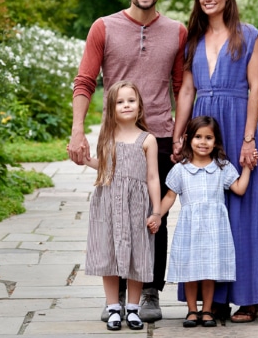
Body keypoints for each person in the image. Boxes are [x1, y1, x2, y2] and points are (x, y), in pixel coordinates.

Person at [67, 0, 187, 323]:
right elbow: (85, 81)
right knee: (114, 212)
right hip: (114, 138)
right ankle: (116, 296)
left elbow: (182, 86)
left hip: (161, 135)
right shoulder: (103, 27)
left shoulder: (177, 31)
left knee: (155, 214)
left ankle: (149, 291)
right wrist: (77, 130)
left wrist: (181, 132)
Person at [171, 0, 258, 323]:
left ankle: (247, 297)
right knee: (205, 212)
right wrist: (180, 133)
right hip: (203, 129)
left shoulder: (249, 37)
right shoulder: (193, 39)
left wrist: (247, 140)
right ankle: (212, 300)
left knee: (242, 210)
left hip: (237, 125)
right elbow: (185, 90)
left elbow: (255, 89)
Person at [148, 116, 256, 328]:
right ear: (189, 140)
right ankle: (191, 310)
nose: (203, 142)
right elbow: (170, 196)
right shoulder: (181, 169)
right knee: (190, 270)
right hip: (190, 228)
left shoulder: (222, 167)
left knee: (209, 271)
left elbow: (239, 188)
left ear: (216, 142)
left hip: (215, 229)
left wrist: (247, 167)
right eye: (198, 137)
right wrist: (157, 214)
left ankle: (207, 311)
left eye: (208, 137)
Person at [81, 81, 162, 331]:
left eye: (131, 100)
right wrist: (86, 160)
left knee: (138, 253)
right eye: (119, 101)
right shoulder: (107, 137)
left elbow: (152, 177)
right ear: (111, 107)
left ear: (139, 106)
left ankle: (134, 309)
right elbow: (106, 168)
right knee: (110, 252)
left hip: (137, 205)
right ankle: (113, 307)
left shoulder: (147, 139)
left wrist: (156, 211)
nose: (126, 105)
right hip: (109, 203)